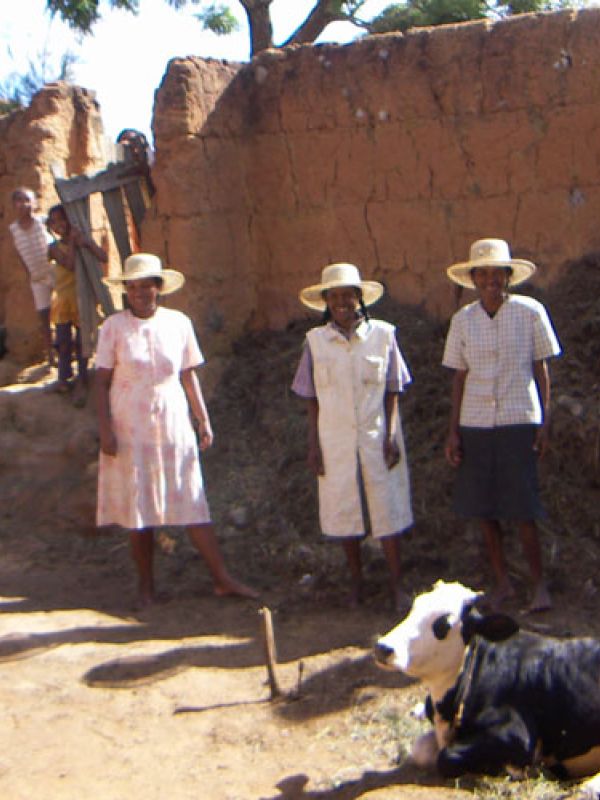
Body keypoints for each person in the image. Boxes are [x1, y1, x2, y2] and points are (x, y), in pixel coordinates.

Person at [95, 252, 258, 608]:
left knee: (190, 496)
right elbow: (101, 381)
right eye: (133, 287)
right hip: (130, 424)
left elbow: (187, 374)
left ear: (159, 288)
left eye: (146, 286)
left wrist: (203, 418)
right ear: (126, 291)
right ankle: (146, 586)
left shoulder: (178, 323)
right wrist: (105, 429)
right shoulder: (114, 328)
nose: (140, 293)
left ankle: (222, 578)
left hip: (171, 419)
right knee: (140, 506)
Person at [442, 238, 561, 613]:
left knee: (523, 507)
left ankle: (538, 586)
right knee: (484, 509)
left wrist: (544, 422)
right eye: (483, 273)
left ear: (509, 277)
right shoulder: (463, 321)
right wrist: (453, 431)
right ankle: (503, 583)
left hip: (517, 420)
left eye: (498, 273)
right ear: (473, 278)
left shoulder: (530, 313)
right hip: (476, 423)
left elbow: (541, 369)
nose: (491, 280)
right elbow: (459, 377)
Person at [292, 262, 413, 611]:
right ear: (326, 301)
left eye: (348, 295)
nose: (342, 302)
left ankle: (396, 586)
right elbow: (311, 397)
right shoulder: (315, 342)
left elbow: (393, 389)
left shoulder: (384, 335)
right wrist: (313, 445)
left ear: (360, 298)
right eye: (334, 296)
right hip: (335, 438)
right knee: (345, 509)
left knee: (385, 507)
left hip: (377, 434)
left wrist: (391, 433)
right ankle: (356, 585)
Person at [47, 204, 108, 405]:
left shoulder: (82, 241)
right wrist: (74, 243)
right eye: (54, 222)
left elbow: (103, 257)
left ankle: (82, 378)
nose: (59, 225)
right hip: (64, 301)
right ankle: (64, 378)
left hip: (83, 299)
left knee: (83, 341)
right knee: (64, 342)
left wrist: (87, 243)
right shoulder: (54, 248)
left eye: (62, 220)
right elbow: (70, 264)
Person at [9, 187, 55, 364]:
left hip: (53, 271)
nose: (24, 204)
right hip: (37, 278)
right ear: (13, 205)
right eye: (19, 200)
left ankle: (72, 349)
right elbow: (20, 255)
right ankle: (51, 356)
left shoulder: (42, 222)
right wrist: (30, 275)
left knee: (66, 309)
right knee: (44, 316)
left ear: (35, 203)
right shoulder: (14, 230)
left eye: (28, 200)